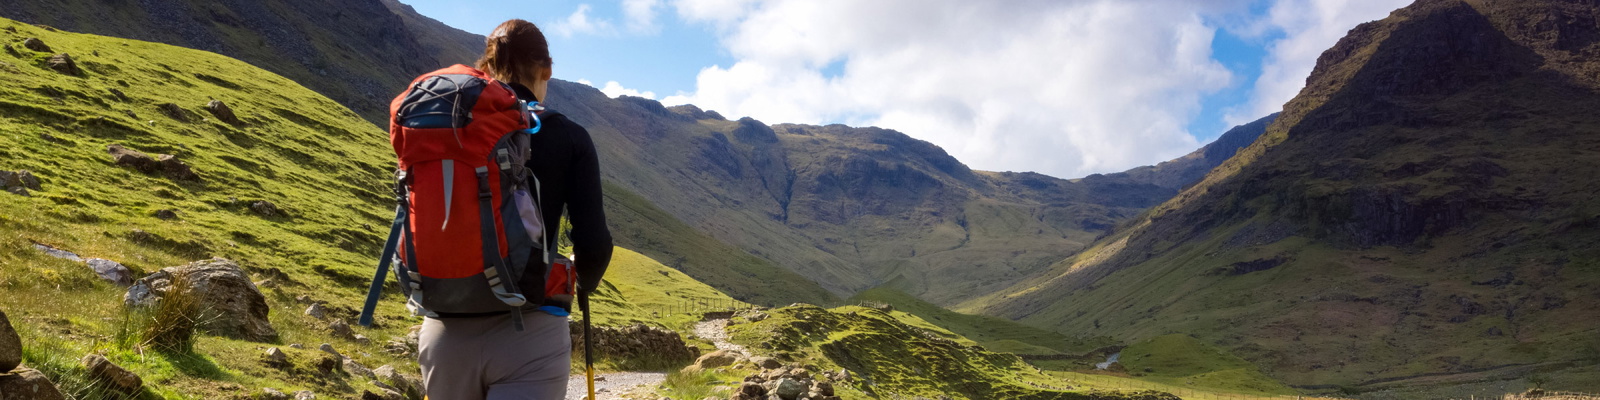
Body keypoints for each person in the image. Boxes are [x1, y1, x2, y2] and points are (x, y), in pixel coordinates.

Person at [415, 19, 614, 400]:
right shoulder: (567, 135)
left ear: (487, 67)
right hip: (531, 333)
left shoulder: (447, 127)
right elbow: (594, 244)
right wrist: (584, 280)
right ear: (547, 70)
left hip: (444, 330)